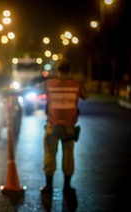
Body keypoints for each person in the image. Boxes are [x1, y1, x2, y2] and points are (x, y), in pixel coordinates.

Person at [38, 58, 89, 197]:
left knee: (49, 155)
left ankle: (49, 186)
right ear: (70, 70)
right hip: (69, 129)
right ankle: (67, 187)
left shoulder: (49, 84)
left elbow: (35, 90)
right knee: (68, 157)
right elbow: (86, 96)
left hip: (53, 127)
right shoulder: (76, 84)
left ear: (58, 70)